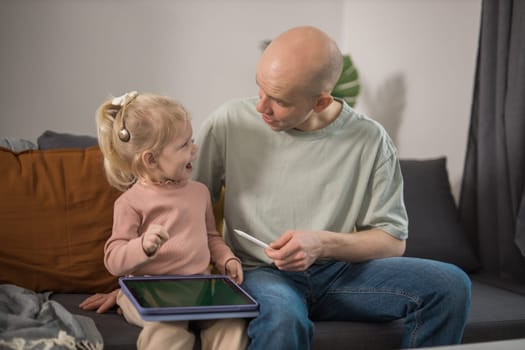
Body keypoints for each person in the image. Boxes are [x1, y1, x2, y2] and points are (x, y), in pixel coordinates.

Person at [81, 26, 471, 349]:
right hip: (261, 273)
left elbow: (391, 240)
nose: (260, 107)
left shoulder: (371, 141)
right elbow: (174, 209)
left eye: (279, 101)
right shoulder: (230, 121)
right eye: (260, 89)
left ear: (320, 101)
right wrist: (133, 290)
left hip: (340, 276)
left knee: (451, 285)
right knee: (283, 317)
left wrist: (321, 244)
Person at [90, 91, 248, 350]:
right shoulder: (130, 202)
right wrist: (143, 246)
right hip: (148, 292)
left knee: (231, 323)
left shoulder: (199, 192)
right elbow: (114, 259)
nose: (194, 149)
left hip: (197, 289)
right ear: (150, 159)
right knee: (166, 331)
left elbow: (211, 238)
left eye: (191, 140)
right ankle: (124, 300)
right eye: (184, 145)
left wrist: (226, 258)